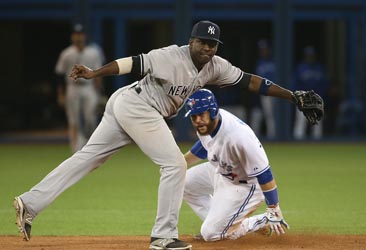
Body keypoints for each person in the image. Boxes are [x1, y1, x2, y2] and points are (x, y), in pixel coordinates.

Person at [13, 20, 321, 250]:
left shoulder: (215, 66)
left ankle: (29, 204)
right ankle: (163, 236)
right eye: (203, 42)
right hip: (135, 105)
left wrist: (292, 96)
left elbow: (252, 82)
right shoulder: (171, 56)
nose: (208, 48)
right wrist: (95, 74)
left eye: (213, 45)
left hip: (134, 108)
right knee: (175, 164)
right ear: (191, 42)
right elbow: (130, 63)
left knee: (87, 159)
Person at [183, 89, 288, 241]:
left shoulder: (239, 137)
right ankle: (224, 226)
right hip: (222, 172)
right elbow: (205, 145)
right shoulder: (208, 125)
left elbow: (264, 174)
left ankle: (256, 222)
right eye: (193, 116)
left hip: (246, 186)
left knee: (210, 234)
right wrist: (180, 164)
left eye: (201, 114)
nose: (197, 119)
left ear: (212, 111)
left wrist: (274, 208)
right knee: (183, 182)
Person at [55, 23, 105, 152]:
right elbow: (60, 74)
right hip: (72, 87)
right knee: (73, 120)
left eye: (80, 34)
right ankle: (75, 150)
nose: (78, 37)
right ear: (72, 37)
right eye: (76, 34)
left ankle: (91, 149)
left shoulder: (94, 52)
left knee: (90, 119)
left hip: (89, 87)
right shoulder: (66, 53)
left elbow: (99, 73)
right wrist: (60, 94)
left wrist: (99, 93)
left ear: (85, 36)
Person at [293, 46, 329, 140]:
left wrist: (321, 96)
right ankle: (297, 142)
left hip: (315, 98)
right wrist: (297, 96)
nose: (310, 57)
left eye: (311, 55)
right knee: (301, 121)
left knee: (317, 121)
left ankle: (317, 143)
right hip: (303, 98)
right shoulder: (300, 68)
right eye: (308, 55)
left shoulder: (319, 68)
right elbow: (295, 83)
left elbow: (324, 84)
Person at [249, 39, 277, 139]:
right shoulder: (259, 62)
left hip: (274, 91)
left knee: (271, 115)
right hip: (262, 92)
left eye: (265, 49)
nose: (263, 51)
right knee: (263, 114)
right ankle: (263, 136)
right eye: (261, 49)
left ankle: (273, 136)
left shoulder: (274, 61)